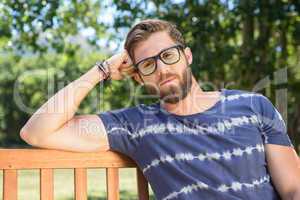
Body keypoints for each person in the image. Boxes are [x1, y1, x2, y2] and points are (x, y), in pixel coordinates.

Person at [20, 19, 300, 200]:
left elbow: (292, 188)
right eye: (148, 64)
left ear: (187, 55)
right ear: (139, 77)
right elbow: (37, 132)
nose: (163, 69)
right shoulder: (136, 125)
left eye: (168, 55)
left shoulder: (254, 106)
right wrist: (102, 69)